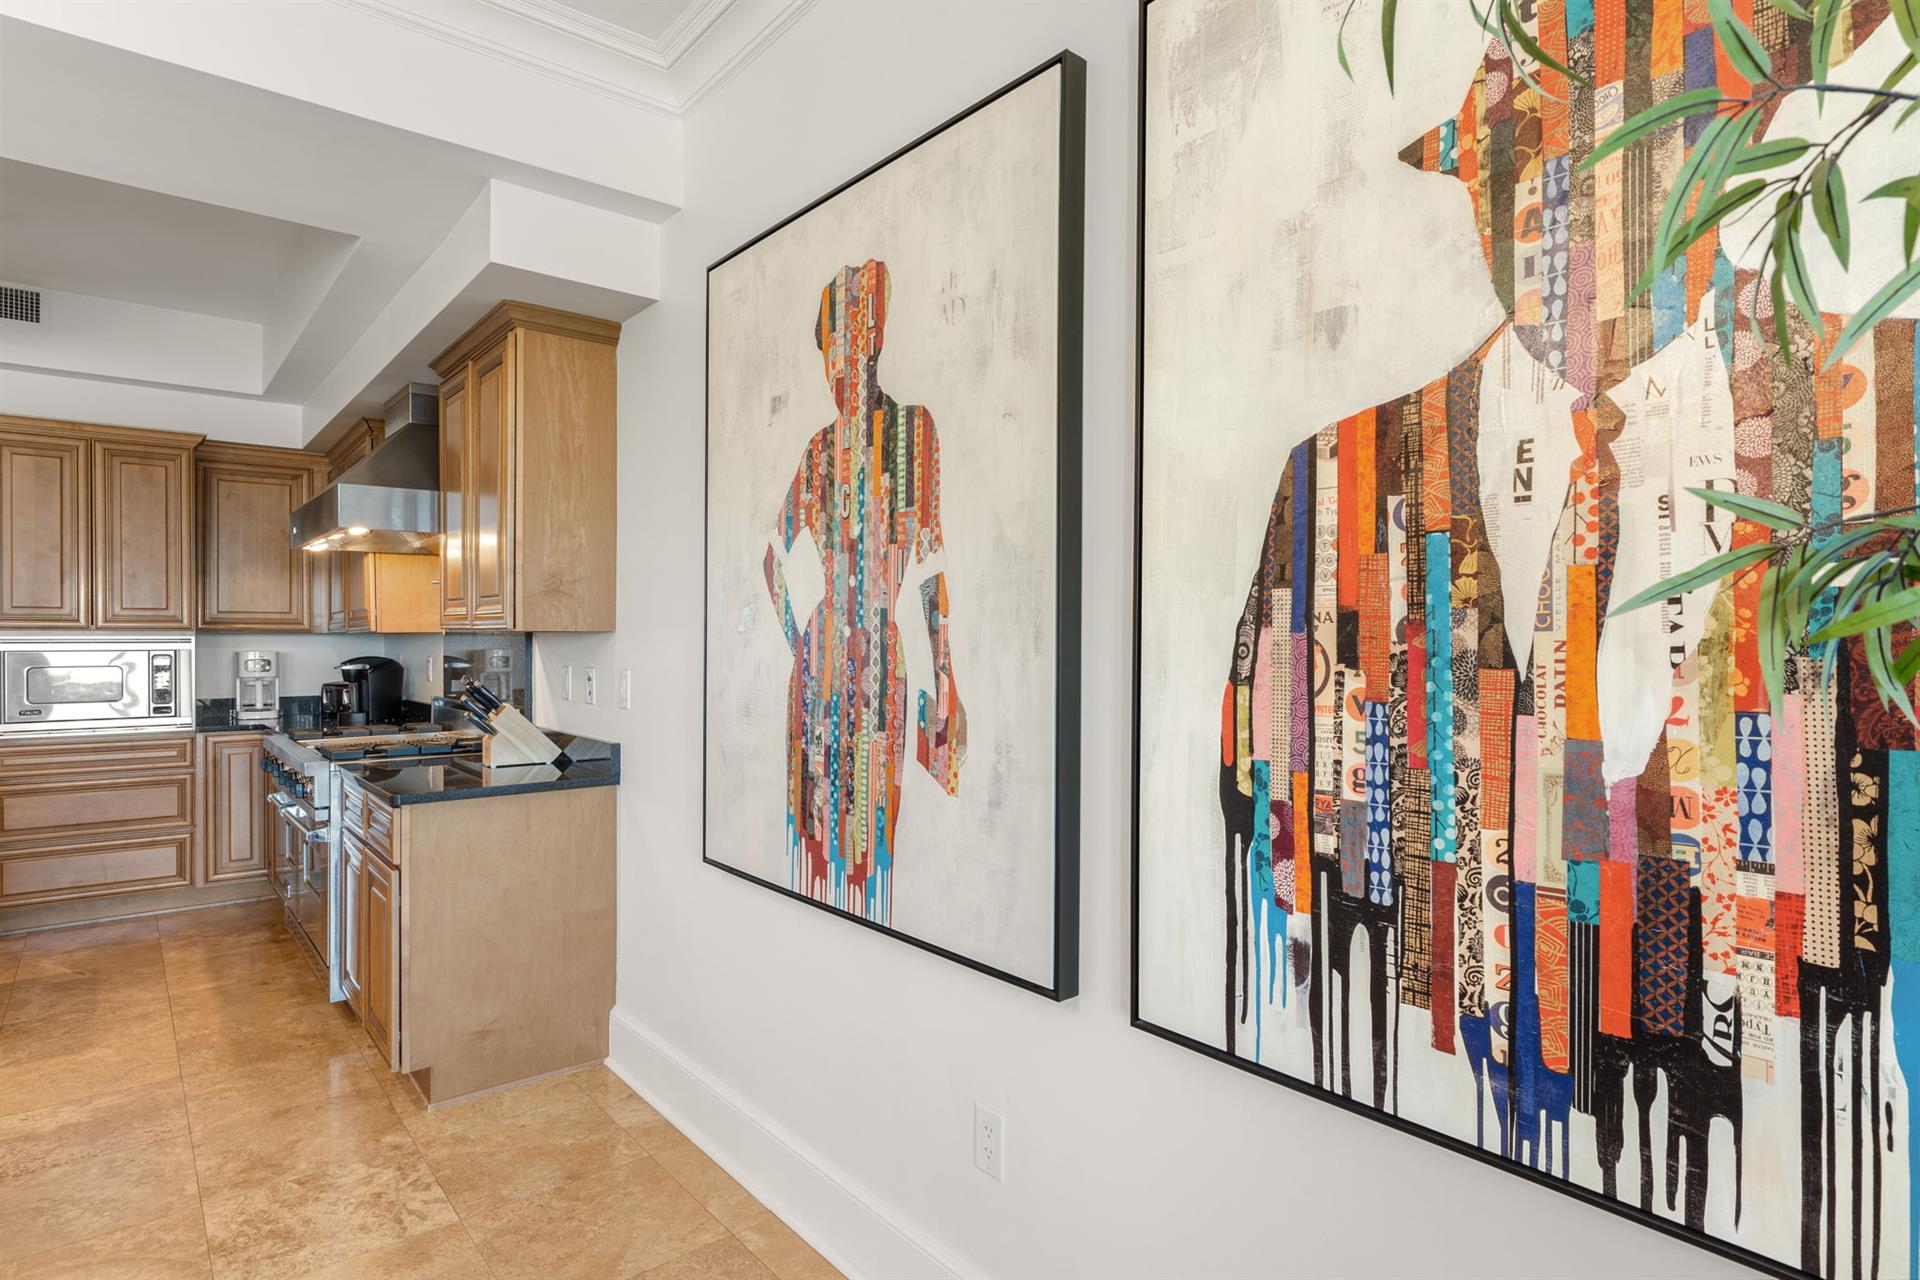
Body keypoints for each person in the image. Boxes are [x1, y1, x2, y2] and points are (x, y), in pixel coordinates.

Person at [764, 259, 966, 926]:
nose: (839, 367)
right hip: (830, 665)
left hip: (876, 664)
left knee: (873, 837)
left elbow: (931, 564)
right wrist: (805, 645)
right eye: (831, 351)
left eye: (851, 344)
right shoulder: (820, 448)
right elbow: (773, 559)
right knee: (821, 836)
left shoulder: (913, 432)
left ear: (875, 340)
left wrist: (945, 672)